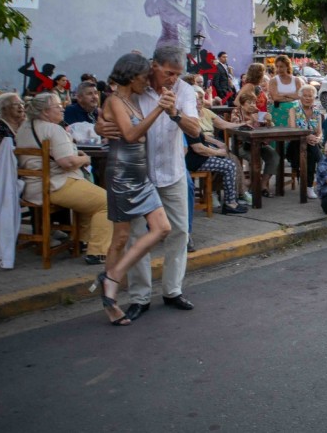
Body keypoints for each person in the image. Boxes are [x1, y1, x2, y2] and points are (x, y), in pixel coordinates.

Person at [98, 46, 202, 321]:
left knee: (178, 231)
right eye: (168, 72)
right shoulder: (137, 85)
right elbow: (111, 110)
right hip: (137, 175)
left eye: (177, 74)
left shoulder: (184, 91)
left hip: (172, 171)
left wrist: (175, 113)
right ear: (154, 66)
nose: (172, 79)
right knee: (136, 235)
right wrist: (101, 125)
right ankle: (140, 297)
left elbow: (196, 130)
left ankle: (172, 290)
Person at [95, 53, 173, 326]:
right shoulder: (115, 100)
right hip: (121, 175)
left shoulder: (132, 99)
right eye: (143, 77)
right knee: (120, 237)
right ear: (131, 76)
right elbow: (130, 135)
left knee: (162, 228)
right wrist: (159, 109)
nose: (146, 81)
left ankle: (112, 276)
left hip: (140, 176)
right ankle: (110, 298)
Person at [15, 93, 111, 265]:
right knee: (107, 202)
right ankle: (98, 251)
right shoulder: (53, 129)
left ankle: (82, 241)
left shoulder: (23, 128)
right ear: (45, 112)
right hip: (57, 185)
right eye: (58, 107)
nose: (63, 109)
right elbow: (67, 162)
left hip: (31, 187)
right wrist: (85, 159)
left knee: (90, 198)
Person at [230, 89, 281, 198]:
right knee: (257, 159)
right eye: (249, 103)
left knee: (274, 157)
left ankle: (262, 185)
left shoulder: (257, 112)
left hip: (259, 144)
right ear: (243, 104)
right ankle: (254, 186)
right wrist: (250, 121)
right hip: (242, 145)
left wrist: (268, 121)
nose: (252, 105)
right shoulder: (236, 112)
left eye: (253, 102)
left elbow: (268, 129)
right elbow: (235, 126)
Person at [288, 85, 324, 200]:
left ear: (314, 97)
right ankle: (312, 185)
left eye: (310, 96)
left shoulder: (316, 111)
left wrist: (318, 138)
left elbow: (319, 132)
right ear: (300, 97)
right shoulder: (294, 110)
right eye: (305, 96)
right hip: (296, 144)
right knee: (314, 153)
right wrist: (307, 136)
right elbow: (293, 130)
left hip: (313, 144)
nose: (308, 98)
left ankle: (309, 186)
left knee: (312, 150)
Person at [267, 55, 302, 130]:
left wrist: (284, 95)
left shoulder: (296, 80)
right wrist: (291, 97)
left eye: (282, 66)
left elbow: (299, 95)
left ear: (287, 66)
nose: (279, 69)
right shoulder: (273, 81)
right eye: (277, 66)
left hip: (294, 110)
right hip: (278, 111)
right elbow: (275, 97)